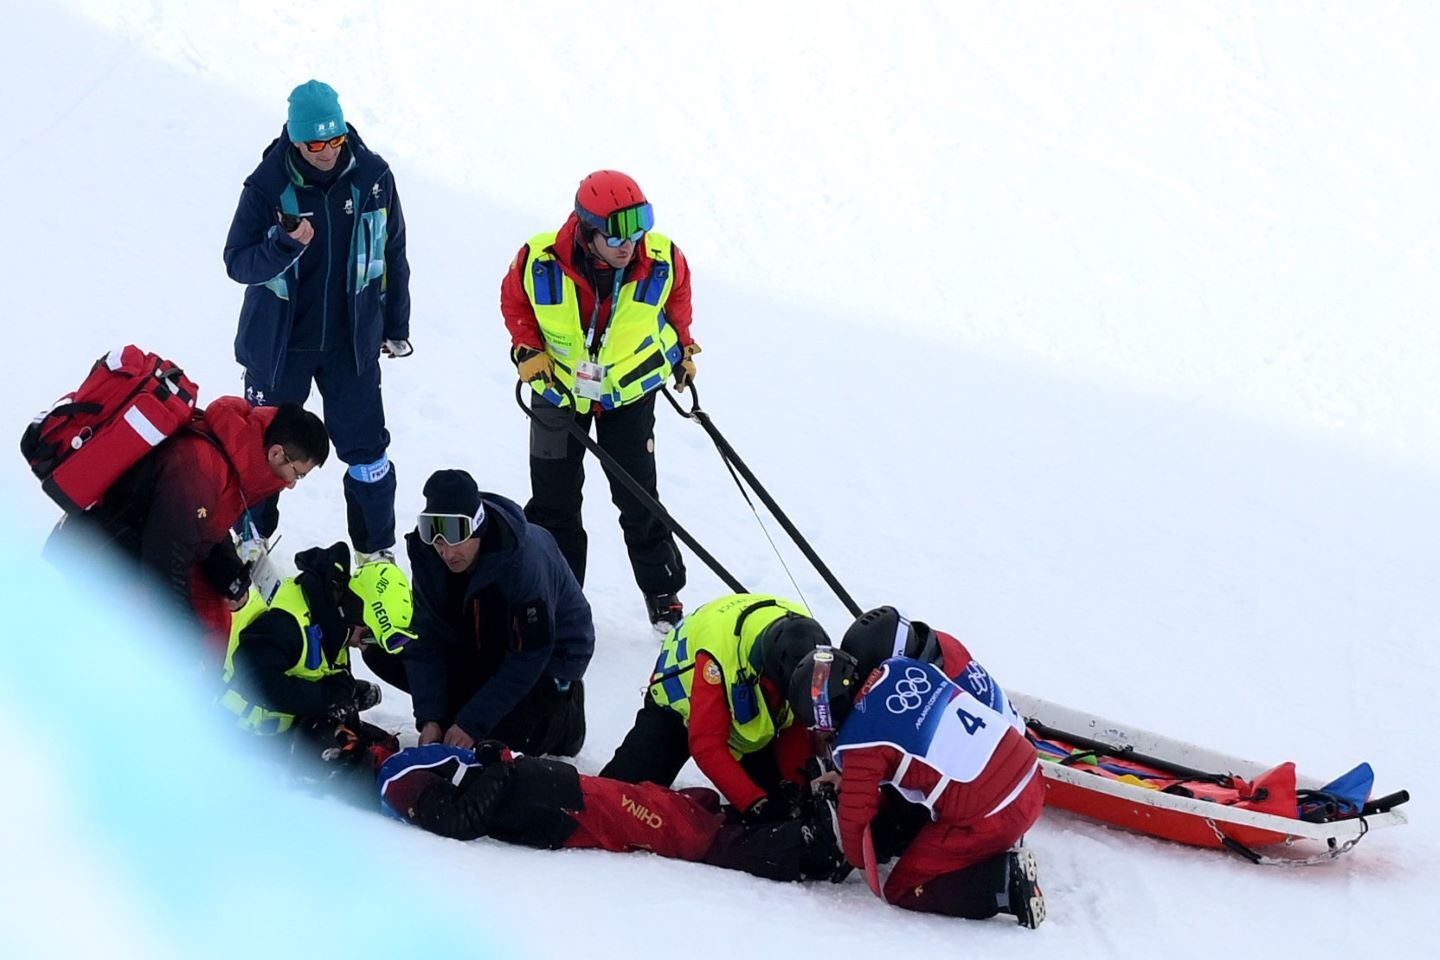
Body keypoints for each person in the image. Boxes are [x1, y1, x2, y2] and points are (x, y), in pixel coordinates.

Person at [500, 170, 699, 631]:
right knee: (554, 502)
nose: (629, 243)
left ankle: (662, 591)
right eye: (616, 234)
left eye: (639, 227)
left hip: (628, 394)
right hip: (557, 391)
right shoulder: (538, 259)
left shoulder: (665, 259)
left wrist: (684, 347)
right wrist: (526, 348)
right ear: (588, 232)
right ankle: (556, 594)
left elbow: (679, 302)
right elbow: (516, 305)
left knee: (638, 496)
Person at [223, 79, 412, 564]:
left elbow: (393, 252)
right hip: (280, 348)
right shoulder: (267, 186)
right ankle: (250, 542)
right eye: (315, 143)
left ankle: (375, 553)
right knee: (265, 447)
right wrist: (283, 247)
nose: (327, 152)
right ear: (296, 138)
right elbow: (238, 262)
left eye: (335, 140)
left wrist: (396, 325)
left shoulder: (373, 177)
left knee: (367, 451)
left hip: (351, 346)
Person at [45, 398, 328, 658]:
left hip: (141, 550)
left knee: (214, 621)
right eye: (297, 474)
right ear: (277, 453)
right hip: (99, 560)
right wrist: (187, 648)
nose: (291, 484)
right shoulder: (200, 469)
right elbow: (164, 566)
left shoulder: (235, 455)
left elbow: (205, 527)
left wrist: (229, 575)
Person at [789, 644, 1047, 927]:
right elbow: (900, 737)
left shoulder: (861, 743)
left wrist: (851, 859)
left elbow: (854, 820)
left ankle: (1005, 882)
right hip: (1030, 774)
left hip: (997, 814)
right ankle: (988, 852)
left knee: (902, 888)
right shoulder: (901, 667)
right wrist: (847, 774)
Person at [376, 740, 847, 883]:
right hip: (563, 808)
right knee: (682, 834)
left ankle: (793, 822)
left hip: (563, 790)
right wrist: (499, 764)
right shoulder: (396, 780)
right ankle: (810, 844)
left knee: (670, 806)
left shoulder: (398, 764)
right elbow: (460, 821)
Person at [362, 469, 592, 756]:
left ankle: (564, 718)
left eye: (457, 535)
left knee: (499, 746)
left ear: (478, 526)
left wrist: (472, 724)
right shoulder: (428, 556)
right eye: (434, 536)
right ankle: (465, 708)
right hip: (478, 642)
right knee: (382, 651)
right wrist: (430, 718)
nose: (447, 552)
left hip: (546, 658)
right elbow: (425, 638)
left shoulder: (523, 563)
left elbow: (530, 656)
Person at [600, 593, 829, 819]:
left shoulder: (808, 645)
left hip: (746, 715)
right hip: (677, 708)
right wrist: (753, 802)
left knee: (784, 802)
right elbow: (706, 745)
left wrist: (796, 786)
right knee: (616, 800)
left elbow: (794, 724)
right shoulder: (718, 658)